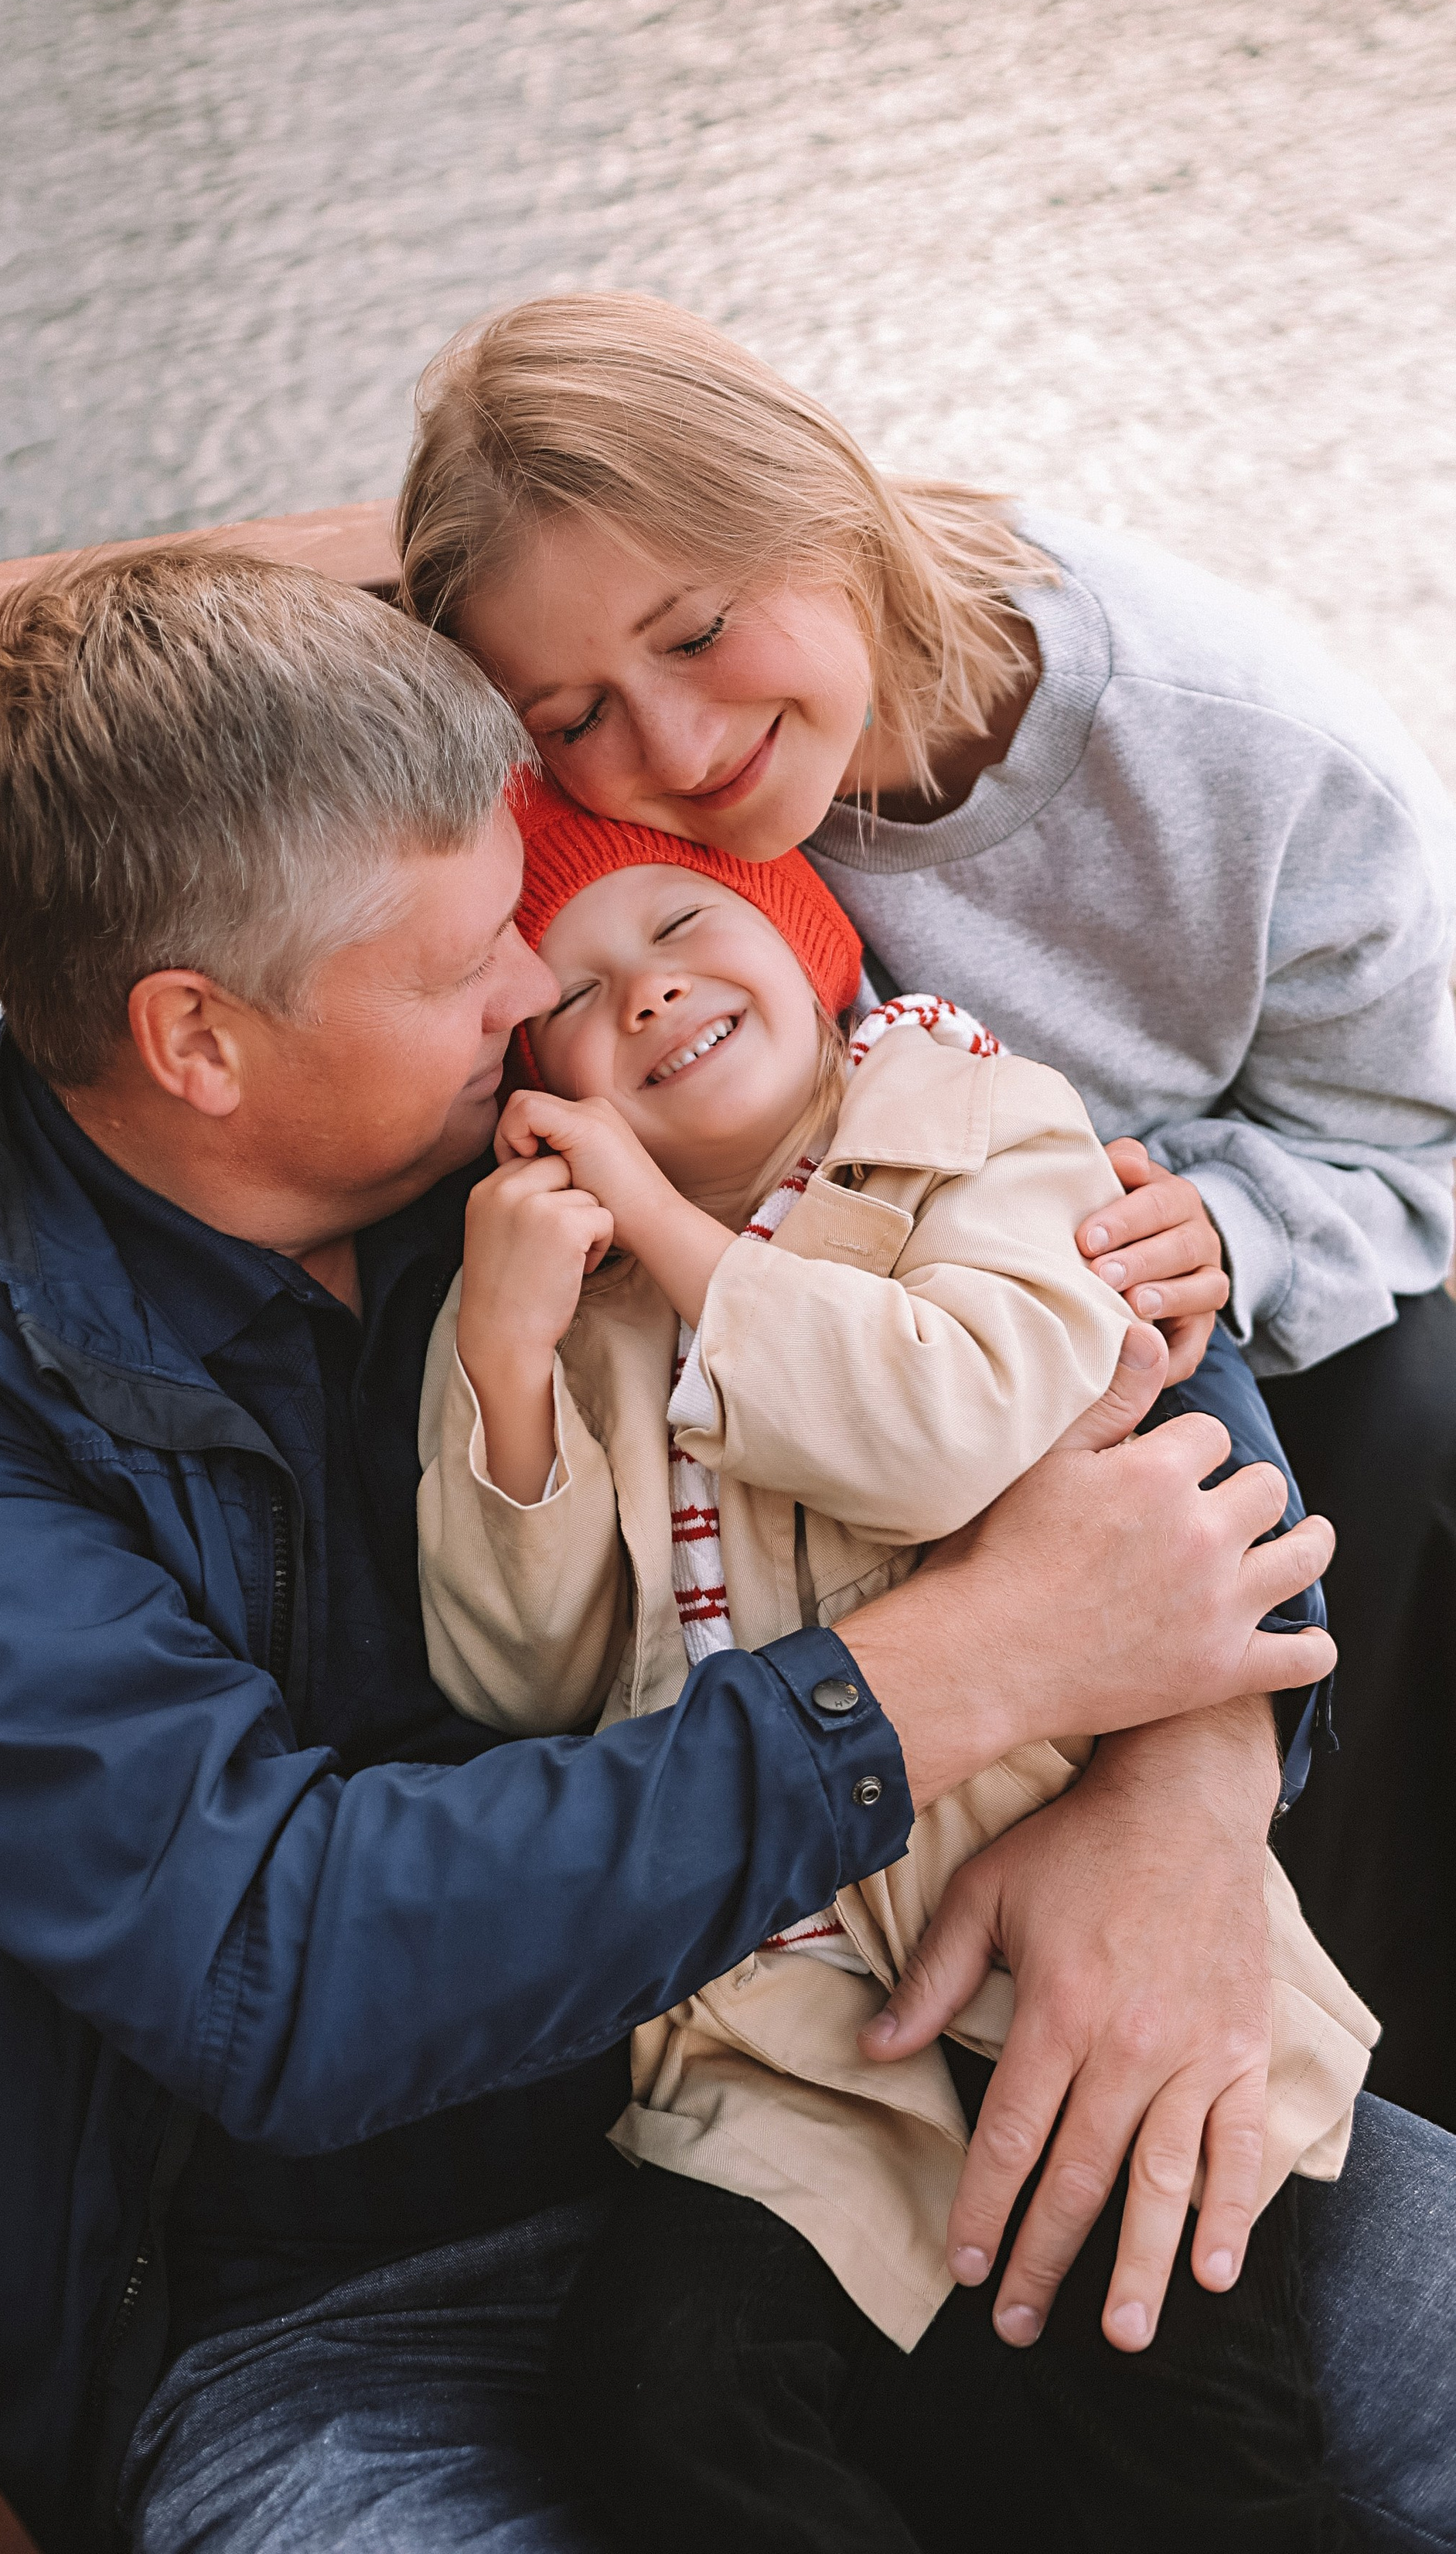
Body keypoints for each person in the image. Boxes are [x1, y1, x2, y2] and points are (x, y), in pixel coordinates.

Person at [0, 545, 1456, 2554]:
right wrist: (966, 1675)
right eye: (461, 963)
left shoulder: (555, 1086)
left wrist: (1182, 1793)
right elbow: (278, 1960)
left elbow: (1064, 1295)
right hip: (332, 2303)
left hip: (919, 2039)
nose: (541, 983)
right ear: (196, 1043)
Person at [393, 292, 1456, 2124]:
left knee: (1419, 1416)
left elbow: (1419, 1143)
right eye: (574, 715)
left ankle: (1329, 2017)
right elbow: (230, 856)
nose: (674, 745)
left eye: (700, 633)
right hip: (858, 1394)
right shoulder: (603, 818)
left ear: (819, 499)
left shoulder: (1243, 750)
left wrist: (1247, 1227)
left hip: (1163, 1320)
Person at [417, 779, 1372, 2549]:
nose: (639, 989)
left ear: (795, 931)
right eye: (570, 985)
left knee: (1183, 2451)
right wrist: (504, 1368)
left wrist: (670, 1230)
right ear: (527, 1077)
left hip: (1073, 1959)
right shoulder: (566, 1287)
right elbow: (522, 1681)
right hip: (785, 2031)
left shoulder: (983, 1131)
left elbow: (939, 1425)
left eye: (680, 922)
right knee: (659, 2397)